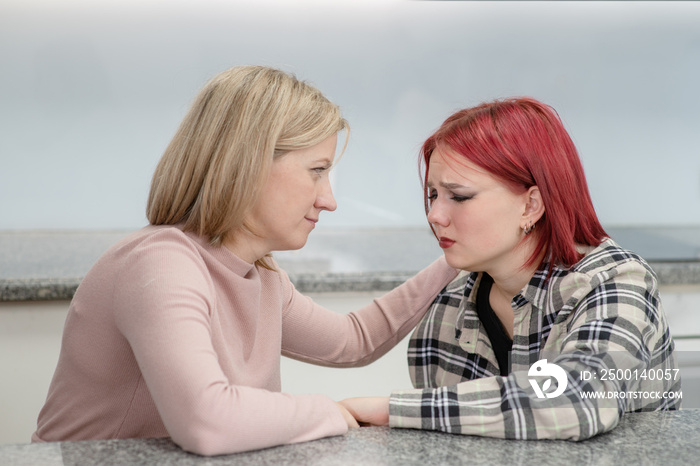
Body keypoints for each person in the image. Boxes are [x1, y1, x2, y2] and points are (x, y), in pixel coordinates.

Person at [32, 66, 458, 456]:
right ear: (249, 164)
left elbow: (353, 339)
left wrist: (455, 258)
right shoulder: (160, 264)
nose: (328, 200)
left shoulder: (260, 275)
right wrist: (327, 412)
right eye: (316, 170)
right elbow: (207, 421)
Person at [339, 97, 681, 440]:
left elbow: (578, 401)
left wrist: (392, 410)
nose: (434, 215)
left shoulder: (614, 281)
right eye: (432, 196)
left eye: (458, 197)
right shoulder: (445, 311)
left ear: (530, 205)